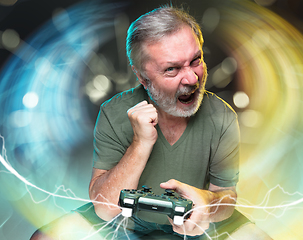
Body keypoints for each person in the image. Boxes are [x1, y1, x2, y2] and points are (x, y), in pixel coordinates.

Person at [31, 5, 272, 240]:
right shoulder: (113, 112)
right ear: (143, 78)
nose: (192, 78)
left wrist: (207, 203)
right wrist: (141, 143)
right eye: (171, 69)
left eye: (196, 60)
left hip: (196, 221)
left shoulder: (222, 116)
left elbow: (226, 197)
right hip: (124, 222)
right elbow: (105, 208)